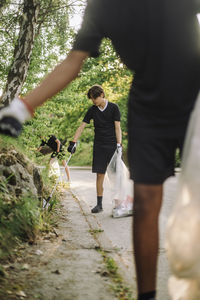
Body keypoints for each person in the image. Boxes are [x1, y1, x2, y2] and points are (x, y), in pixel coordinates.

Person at [0, 1, 199, 299]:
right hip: (147, 106)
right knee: (145, 202)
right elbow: (73, 61)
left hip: (195, 96)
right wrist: (20, 107)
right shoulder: (101, 7)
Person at [67, 84, 122, 213]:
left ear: (102, 95)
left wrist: (119, 144)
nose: (93, 101)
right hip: (99, 145)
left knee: (115, 175)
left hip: (112, 145)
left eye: (94, 98)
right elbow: (81, 126)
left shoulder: (114, 108)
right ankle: (99, 204)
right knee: (100, 174)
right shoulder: (92, 110)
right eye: (91, 99)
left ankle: (118, 203)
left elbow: (117, 128)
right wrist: (73, 142)